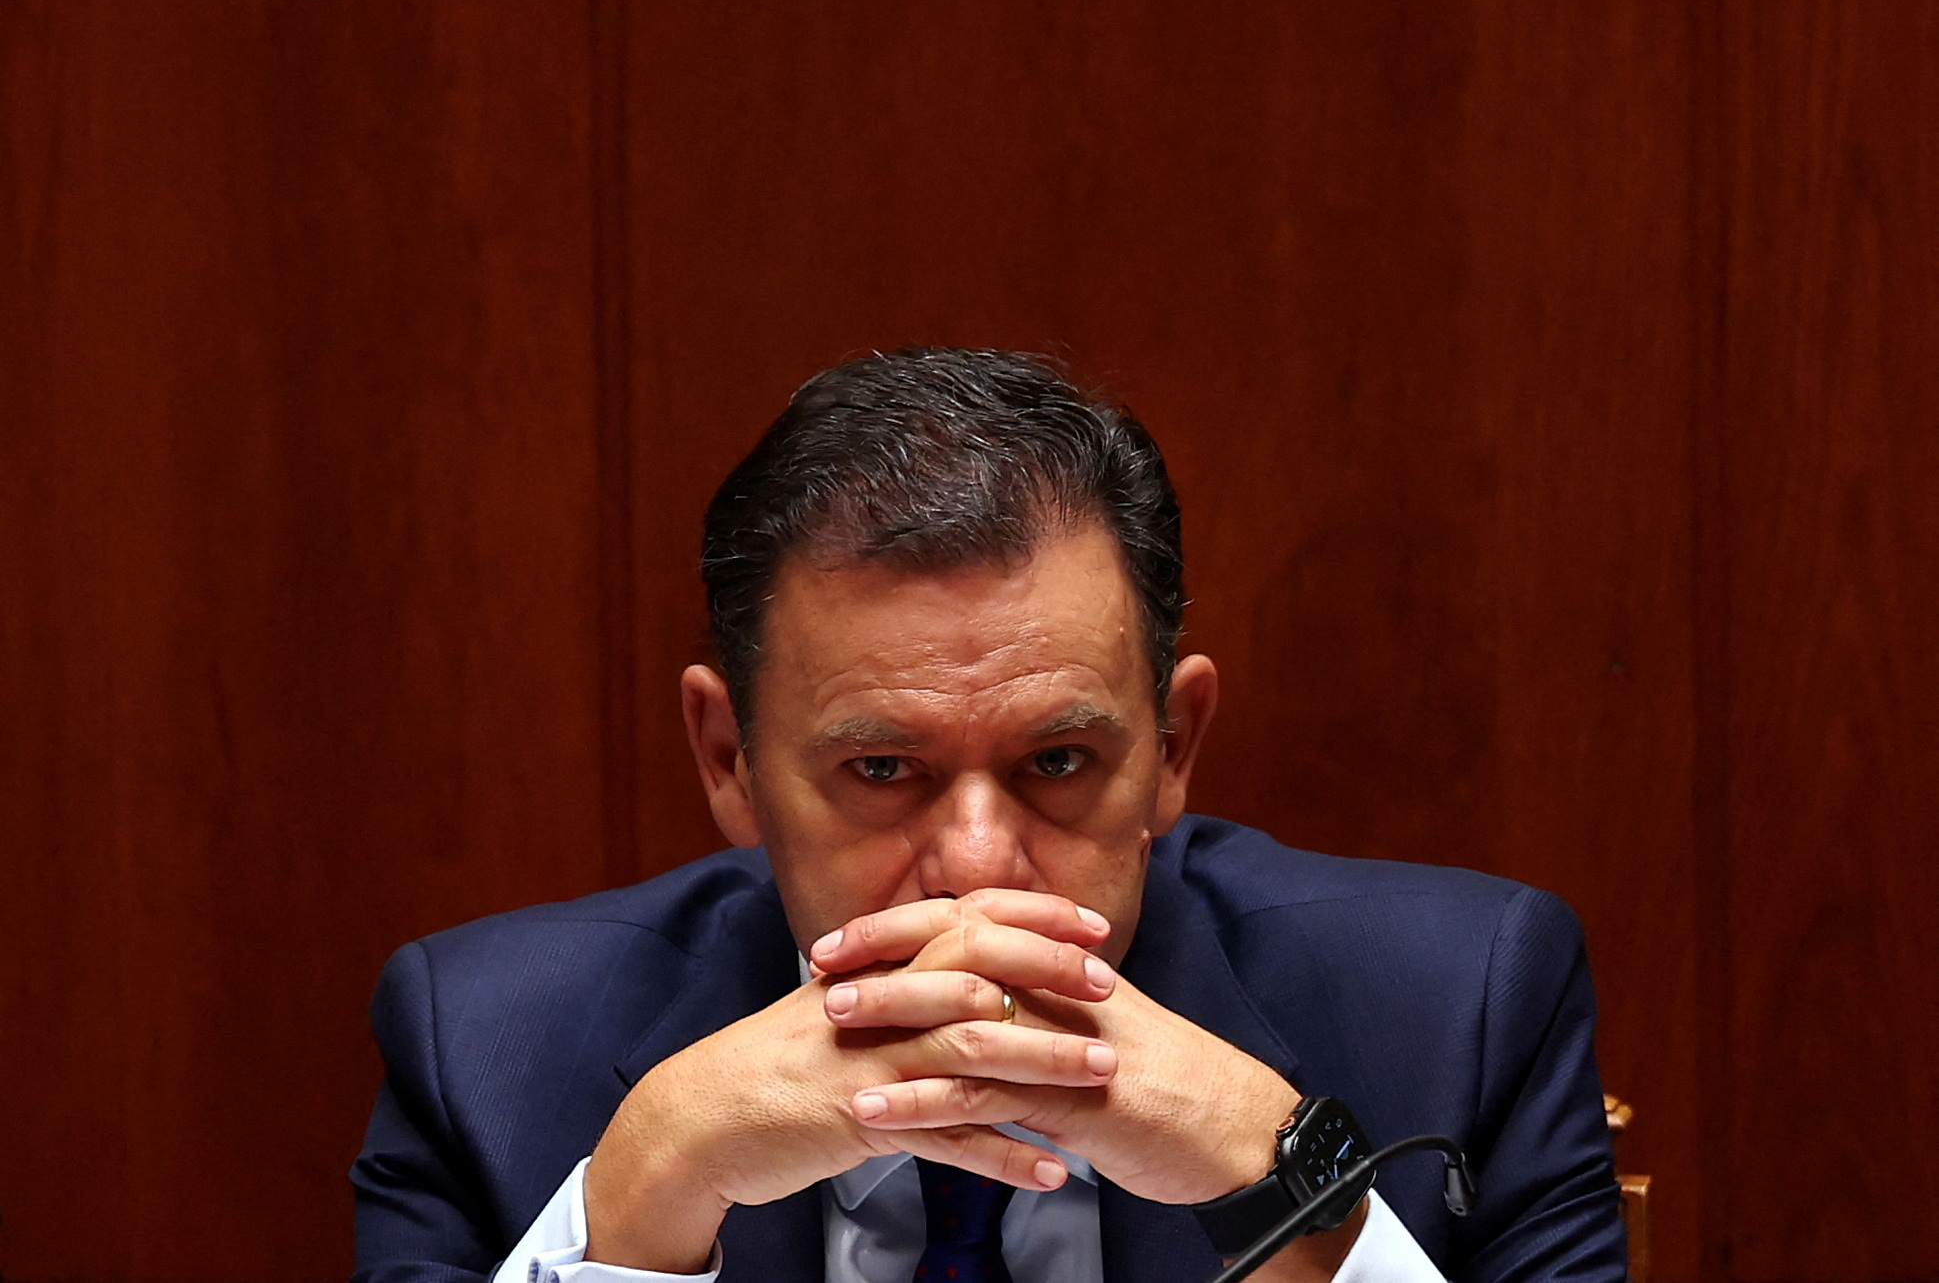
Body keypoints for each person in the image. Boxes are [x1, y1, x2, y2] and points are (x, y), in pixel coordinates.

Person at [351, 348, 1625, 1283]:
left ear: (1172, 748)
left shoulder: (1462, 1002)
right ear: (728, 758)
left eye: (1058, 761)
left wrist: (1282, 1182)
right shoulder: (486, 1050)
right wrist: (640, 1206)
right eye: (883, 771)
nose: (974, 864)